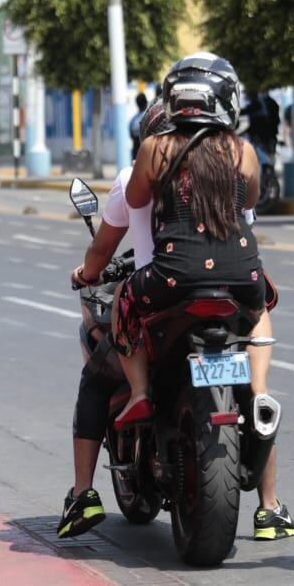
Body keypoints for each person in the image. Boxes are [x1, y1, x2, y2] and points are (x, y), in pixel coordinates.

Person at [59, 100, 294, 541]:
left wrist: (87, 274)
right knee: (251, 391)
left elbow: (105, 247)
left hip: (163, 294)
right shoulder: (231, 164)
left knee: (95, 378)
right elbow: (245, 230)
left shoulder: (138, 174)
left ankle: (83, 492)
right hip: (231, 288)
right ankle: (269, 508)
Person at [91, 54, 265, 429]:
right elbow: (250, 202)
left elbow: (136, 200)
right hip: (241, 277)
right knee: (261, 307)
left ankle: (139, 393)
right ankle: (260, 391)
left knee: (124, 299)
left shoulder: (156, 148)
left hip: (173, 275)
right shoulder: (243, 150)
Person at [129, 91, 149, 158]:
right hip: (147, 149)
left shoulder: (133, 120)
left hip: (136, 150)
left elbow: (131, 135)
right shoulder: (150, 116)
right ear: (146, 102)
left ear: (137, 104)